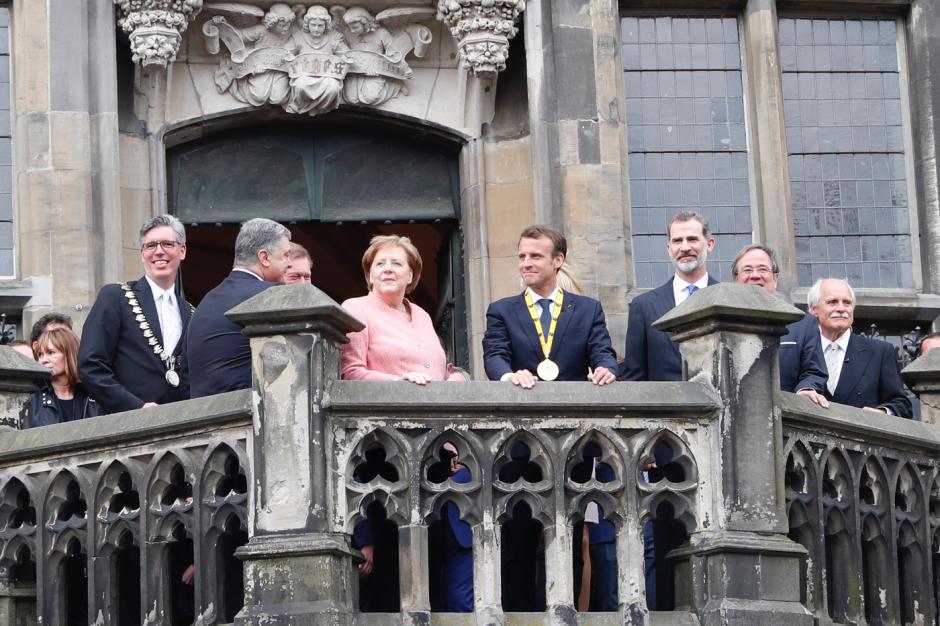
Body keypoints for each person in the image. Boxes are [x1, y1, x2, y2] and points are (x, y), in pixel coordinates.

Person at [79, 215, 193, 414]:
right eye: (150, 246)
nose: (159, 251)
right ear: (142, 254)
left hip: (178, 429)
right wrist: (135, 407)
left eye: (167, 244)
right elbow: (91, 366)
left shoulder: (191, 313)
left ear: (182, 251)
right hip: (126, 427)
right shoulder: (116, 297)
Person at [483, 225, 618, 388]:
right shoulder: (501, 311)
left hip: (574, 405)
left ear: (558, 260)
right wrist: (510, 376)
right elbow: (495, 355)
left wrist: (605, 369)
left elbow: (602, 352)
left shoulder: (588, 309)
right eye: (522, 257)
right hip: (523, 402)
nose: (525, 264)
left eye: (535, 256)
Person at [187, 218, 292, 398]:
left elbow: (186, 374)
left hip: (203, 417)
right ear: (264, 258)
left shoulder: (206, 301)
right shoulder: (271, 294)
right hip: (247, 415)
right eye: (285, 255)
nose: (289, 263)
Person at [340, 234, 464, 384]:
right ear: (370, 276)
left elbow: (431, 369)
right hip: (388, 405)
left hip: (435, 404)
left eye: (397, 264)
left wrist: (455, 378)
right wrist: (398, 382)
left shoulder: (422, 315)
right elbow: (351, 372)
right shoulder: (356, 308)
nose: (387, 269)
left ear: (410, 276)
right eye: (380, 264)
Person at [621, 211, 718, 382]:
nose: (685, 247)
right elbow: (634, 378)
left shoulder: (726, 301)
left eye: (692, 239)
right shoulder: (643, 306)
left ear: (709, 244)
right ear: (669, 249)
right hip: (666, 407)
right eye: (677, 241)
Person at [731, 244, 829, 406]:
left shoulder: (802, 323)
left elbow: (813, 372)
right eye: (747, 270)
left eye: (763, 269)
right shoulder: (722, 321)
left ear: (775, 278)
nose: (755, 275)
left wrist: (806, 389)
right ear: (736, 279)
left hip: (786, 417)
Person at [809, 278, 912, 418]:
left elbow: (902, 405)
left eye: (847, 302)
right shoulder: (800, 350)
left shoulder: (880, 352)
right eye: (832, 302)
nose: (841, 308)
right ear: (814, 309)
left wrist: (883, 413)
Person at [27, 328, 99, 427]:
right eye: (40, 355)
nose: (43, 360)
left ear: (69, 354)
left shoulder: (92, 395)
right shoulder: (32, 396)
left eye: (51, 352)